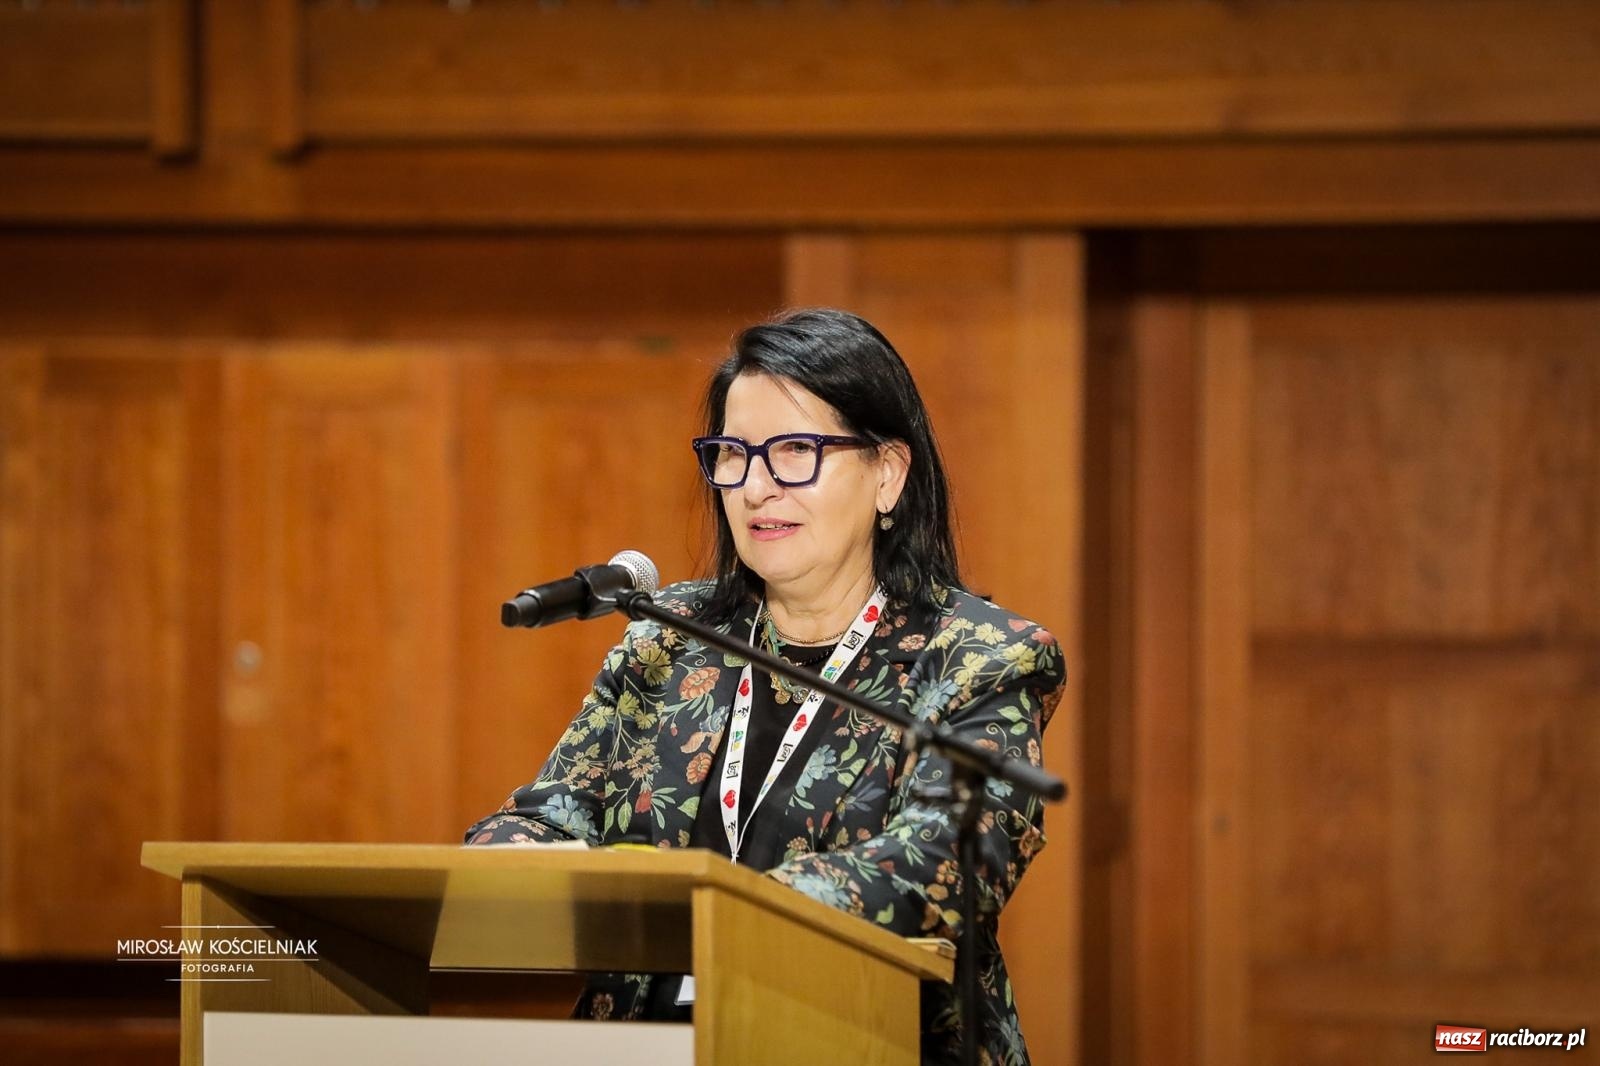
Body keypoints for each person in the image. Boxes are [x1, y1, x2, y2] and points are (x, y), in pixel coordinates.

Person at [466, 308, 1065, 1065]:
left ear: (888, 473)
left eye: (794, 452)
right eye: (733, 454)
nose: (755, 487)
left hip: (867, 1042)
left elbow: (939, 870)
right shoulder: (670, 635)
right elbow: (550, 816)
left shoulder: (978, 657)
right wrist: (516, 857)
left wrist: (713, 902)